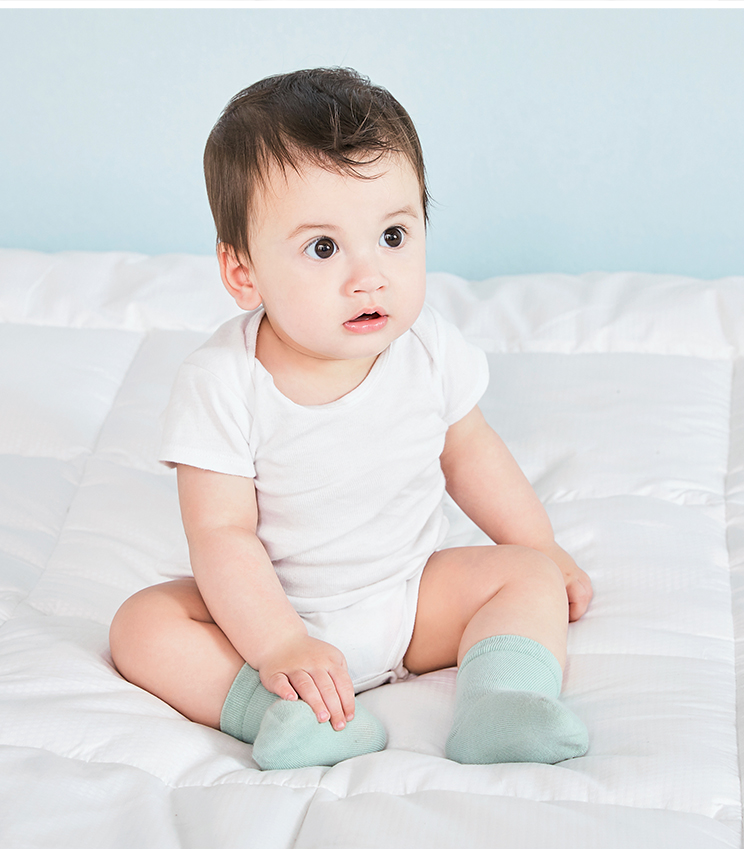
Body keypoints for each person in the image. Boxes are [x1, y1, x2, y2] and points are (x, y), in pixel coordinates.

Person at [109, 67, 592, 770]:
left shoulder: (427, 348)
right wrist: (280, 644)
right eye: (324, 248)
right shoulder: (222, 382)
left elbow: (471, 452)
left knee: (527, 576)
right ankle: (290, 714)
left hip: (411, 599)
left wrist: (542, 545)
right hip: (274, 616)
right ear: (243, 272)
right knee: (141, 627)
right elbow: (220, 534)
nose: (369, 276)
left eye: (393, 235)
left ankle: (500, 702)